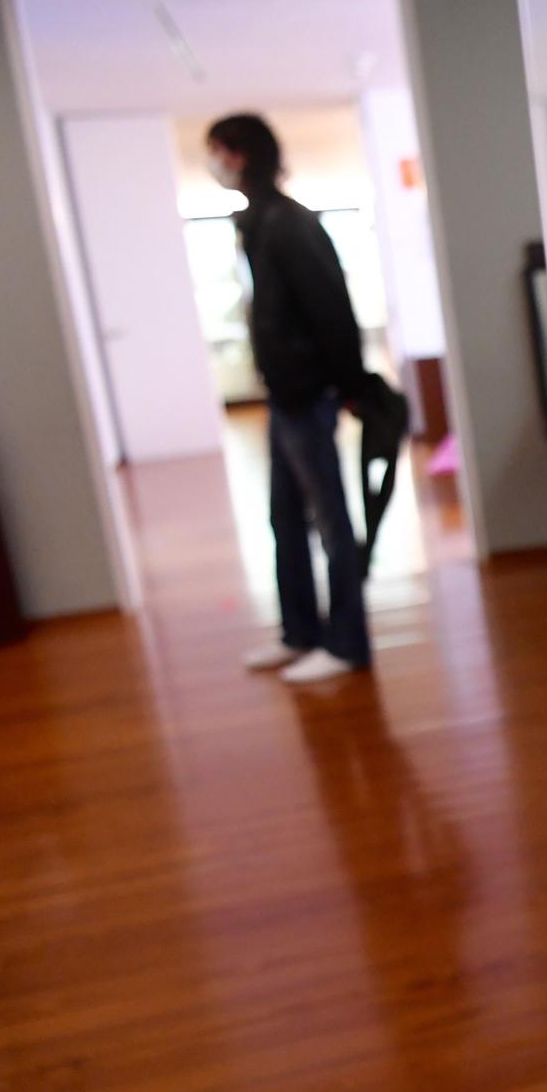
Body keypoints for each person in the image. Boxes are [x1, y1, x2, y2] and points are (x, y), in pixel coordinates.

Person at [209, 114, 372, 684]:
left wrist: (350, 385)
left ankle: (347, 643)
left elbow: (332, 309)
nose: (215, 164)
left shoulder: (288, 224)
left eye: (218, 152)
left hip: (307, 396)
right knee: (284, 519)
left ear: (240, 154)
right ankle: (299, 633)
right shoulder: (260, 222)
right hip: (285, 397)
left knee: (330, 522)